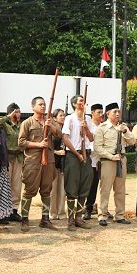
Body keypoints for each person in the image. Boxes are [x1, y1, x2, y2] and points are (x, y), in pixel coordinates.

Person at [18, 97, 62, 231]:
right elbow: (21, 143)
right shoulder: (27, 123)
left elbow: (60, 135)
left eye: (44, 104)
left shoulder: (51, 121)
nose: (43, 106)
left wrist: (52, 126)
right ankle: (24, 219)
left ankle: (45, 219)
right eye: (40, 104)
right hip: (33, 161)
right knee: (29, 190)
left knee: (46, 189)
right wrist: (38, 144)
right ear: (33, 107)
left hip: (48, 160)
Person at [93, 103, 134, 226]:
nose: (117, 114)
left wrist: (125, 131)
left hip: (121, 160)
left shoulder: (123, 127)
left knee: (120, 189)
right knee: (105, 189)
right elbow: (97, 148)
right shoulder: (102, 128)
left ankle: (120, 215)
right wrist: (111, 156)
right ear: (108, 114)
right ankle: (102, 215)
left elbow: (132, 141)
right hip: (108, 161)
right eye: (114, 112)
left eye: (118, 112)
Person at [61, 95, 95, 231]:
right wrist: (77, 154)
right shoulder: (69, 118)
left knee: (85, 186)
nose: (82, 103)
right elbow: (65, 138)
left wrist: (85, 128)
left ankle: (79, 218)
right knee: (72, 187)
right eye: (80, 101)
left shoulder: (87, 119)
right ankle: (70, 220)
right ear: (75, 104)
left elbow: (91, 138)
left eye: (83, 101)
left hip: (86, 154)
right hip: (73, 155)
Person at [1, 102, 23, 222]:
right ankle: (5, 211)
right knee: (6, 185)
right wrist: (8, 117)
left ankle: (14, 210)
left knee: (17, 185)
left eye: (19, 112)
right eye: (16, 112)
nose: (18, 114)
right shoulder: (5, 124)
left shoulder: (22, 125)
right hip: (8, 158)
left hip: (19, 158)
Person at [83, 103, 104, 220]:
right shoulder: (87, 125)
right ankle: (84, 208)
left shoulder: (103, 126)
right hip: (88, 159)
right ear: (92, 113)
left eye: (102, 112)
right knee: (87, 186)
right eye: (98, 112)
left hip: (99, 161)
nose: (101, 115)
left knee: (96, 187)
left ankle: (95, 209)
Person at [49, 109, 68, 220]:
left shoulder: (65, 129)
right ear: (55, 118)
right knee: (53, 190)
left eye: (64, 115)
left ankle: (61, 212)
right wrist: (56, 152)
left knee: (62, 190)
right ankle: (53, 213)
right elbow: (47, 146)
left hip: (63, 162)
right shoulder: (52, 130)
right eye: (60, 115)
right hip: (53, 161)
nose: (63, 117)